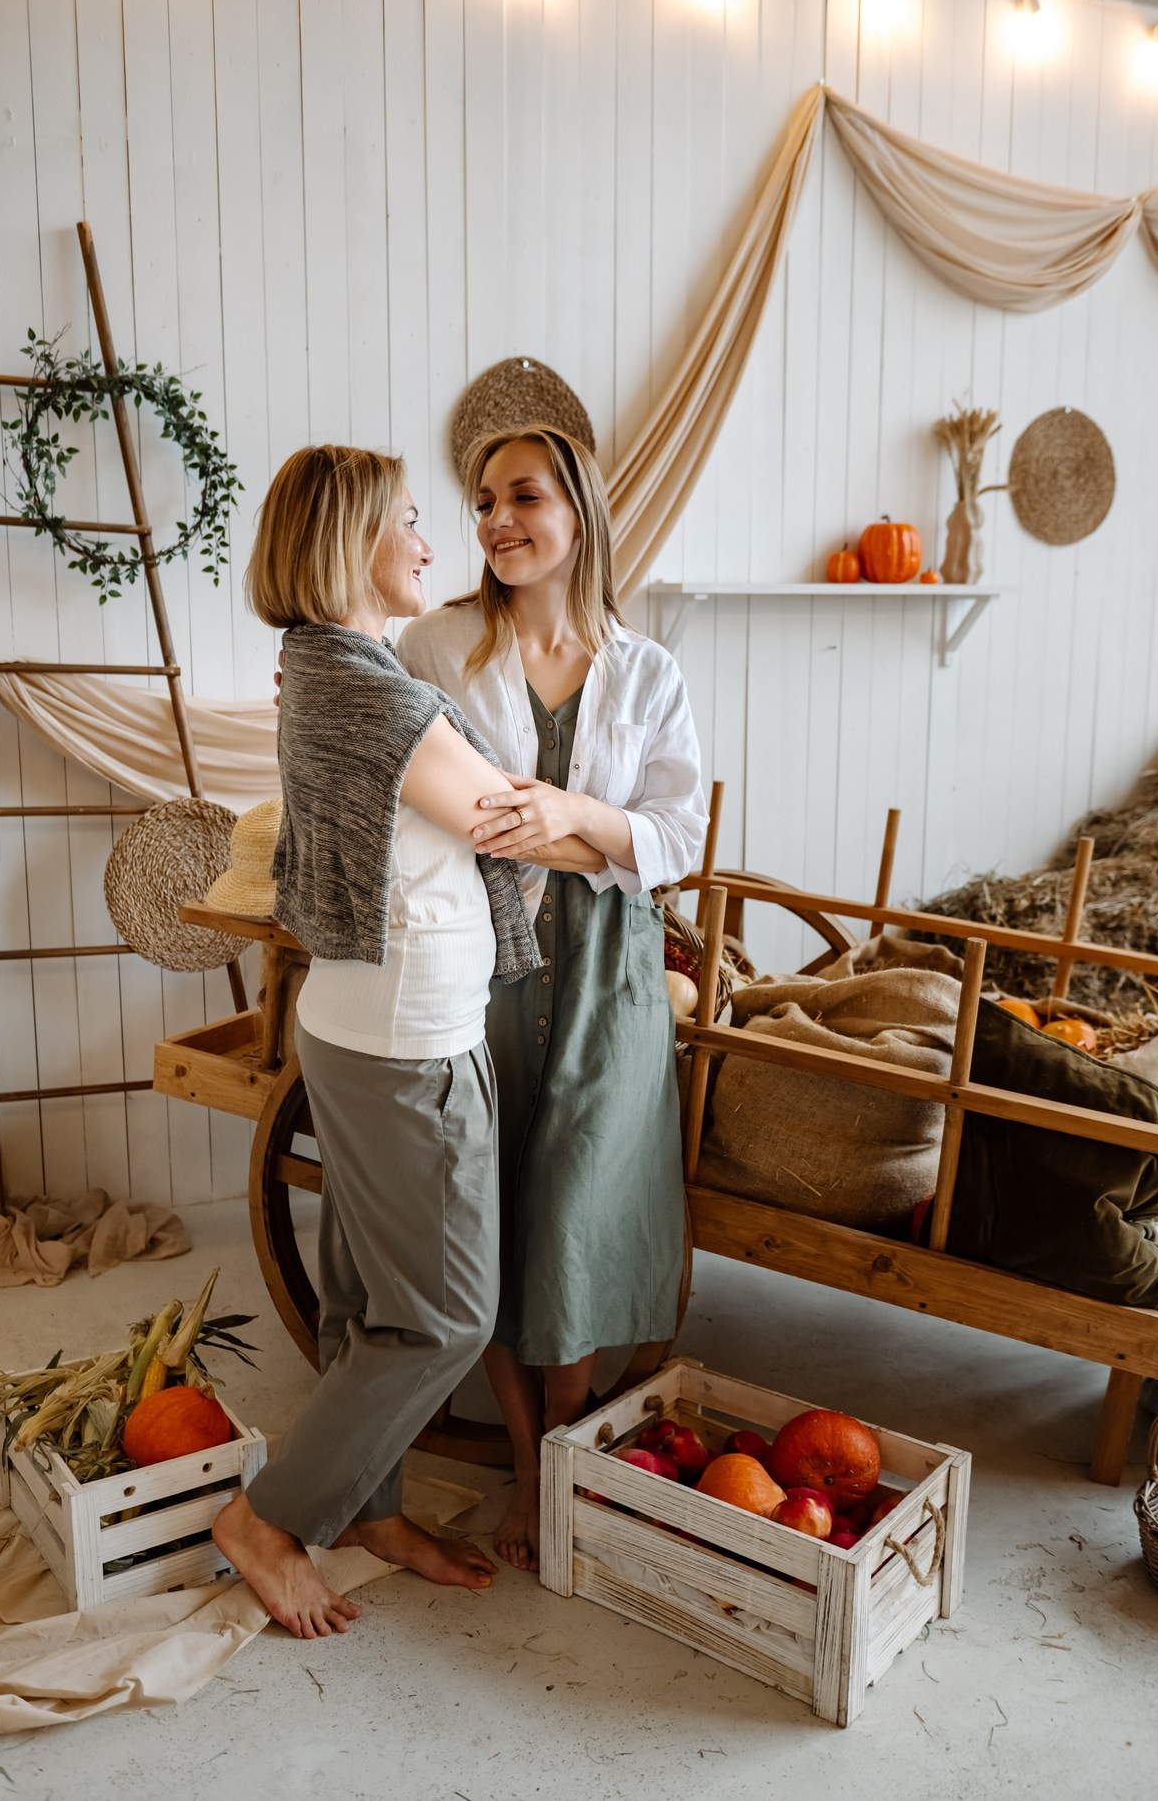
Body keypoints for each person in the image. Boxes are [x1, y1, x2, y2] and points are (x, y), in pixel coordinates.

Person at [213, 443, 562, 1637]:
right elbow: (500, 815)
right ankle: (272, 1519)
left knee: (370, 1302)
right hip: (407, 1043)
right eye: (410, 520)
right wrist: (593, 818)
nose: (430, 541)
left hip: (366, 1030)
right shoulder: (373, 689)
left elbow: (477, 810)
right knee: (448, 1314)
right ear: (350, 540)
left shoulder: (326, 667)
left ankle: (367, 1506)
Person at [398, 426, 708, 1571]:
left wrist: (572, 820)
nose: (493, 520)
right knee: (496, 1205)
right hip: (478, 956)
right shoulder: (435, 645)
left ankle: (562, 1451)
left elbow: (676, 835)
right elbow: (437, 807)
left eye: (521, 495)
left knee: (571, 1211)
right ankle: (533, 1468)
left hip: (608, 974)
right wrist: (584, 835)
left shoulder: (647, 669)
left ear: (577, 509)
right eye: (480, 501)